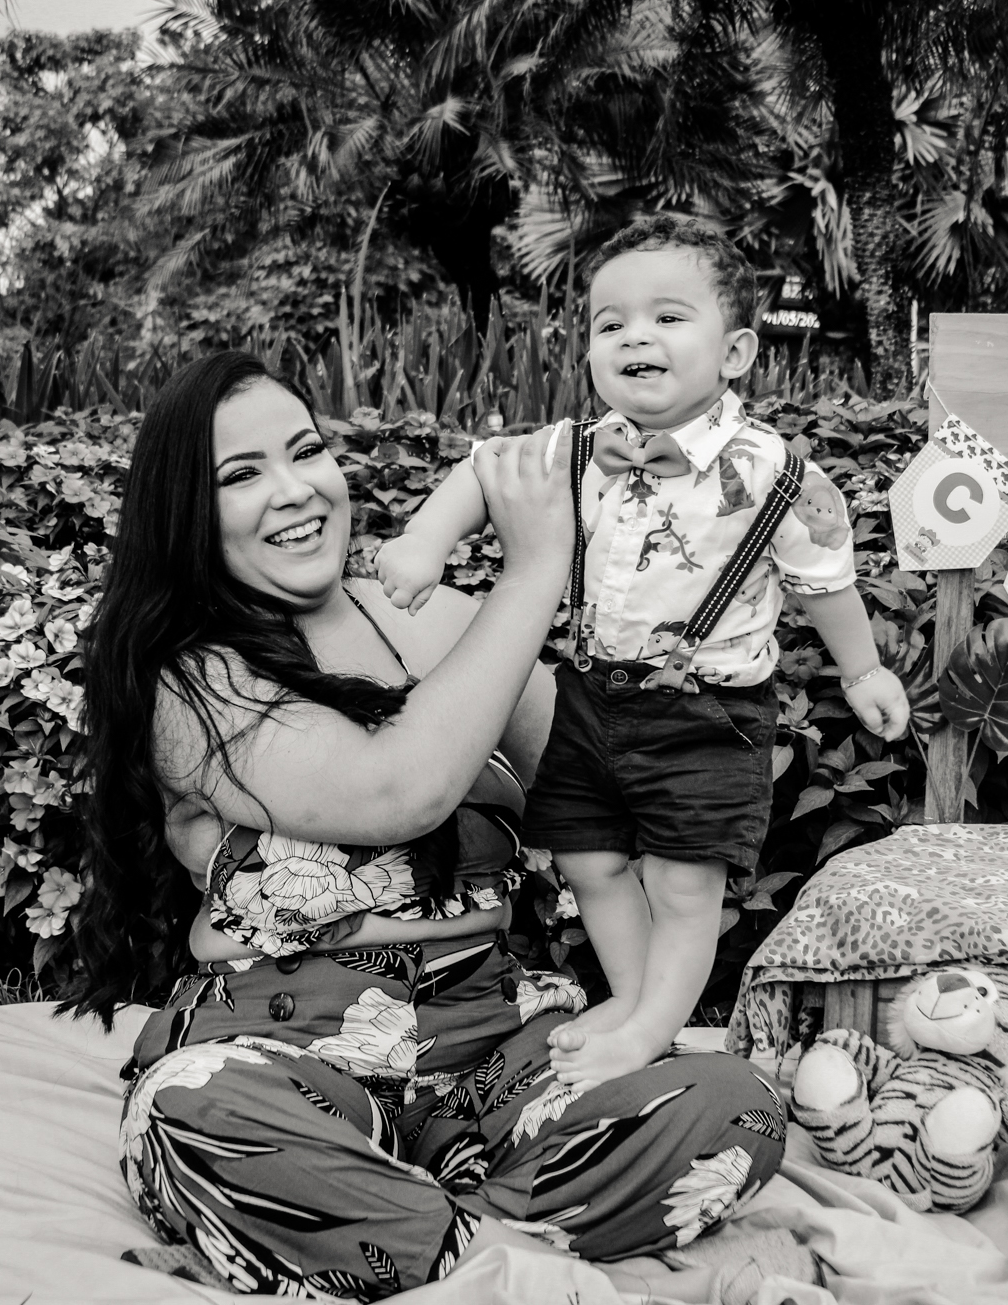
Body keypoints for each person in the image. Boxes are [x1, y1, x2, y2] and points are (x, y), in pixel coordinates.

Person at [67, 350, 790, 1302]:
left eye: (306, 452)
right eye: (241, 475)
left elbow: (604, 790)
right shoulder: (192, 676)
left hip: (494, 1048)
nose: (294, 491)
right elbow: (394, 791)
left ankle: (432, 1244)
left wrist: (668, 592)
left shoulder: (443, 618)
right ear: (187, 515)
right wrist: (535, 570)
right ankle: (507, 1256)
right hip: (289, 1050)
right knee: (196, 1111)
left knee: (733, 1107)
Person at [376, 216, 912, 1091]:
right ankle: (634, 1006)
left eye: (667, 316)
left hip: (711, 715)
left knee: (683, 882)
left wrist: (863, 669)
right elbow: (483, 470)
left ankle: (656, 1022)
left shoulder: (780, 473)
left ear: (735, 351)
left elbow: (825, 585)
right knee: (587, 859)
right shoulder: (577, 448)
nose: (635, 336)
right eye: (610, 322)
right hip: (592, 698)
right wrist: (423, 541)